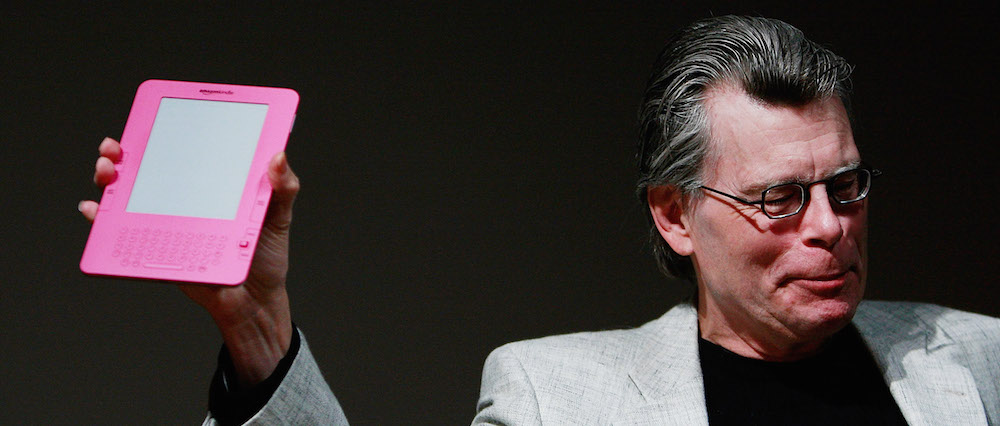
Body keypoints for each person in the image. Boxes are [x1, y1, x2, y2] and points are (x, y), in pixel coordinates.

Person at [80, 15, 999, 425]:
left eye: (846, 186)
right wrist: (254, 322)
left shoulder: (979, 361)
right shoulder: (554, 396)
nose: (831, 226)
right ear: (675, 215)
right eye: (777, 197)